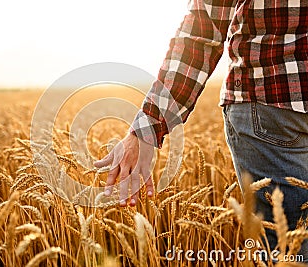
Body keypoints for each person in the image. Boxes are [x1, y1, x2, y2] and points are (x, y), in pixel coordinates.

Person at [94, 0, 308, 262]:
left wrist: (149, 124)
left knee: (291, 252)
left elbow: (203, 30)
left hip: (269, 102)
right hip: (273, 111)